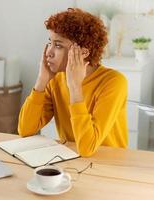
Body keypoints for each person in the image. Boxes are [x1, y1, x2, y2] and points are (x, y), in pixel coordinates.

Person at [18, 8, 128, 157]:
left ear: (83, 52)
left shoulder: (114, 83)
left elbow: (87, 148)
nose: (48, 52)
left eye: (58, 45)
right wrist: (41, 80)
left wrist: (75, 87)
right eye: (50, 42)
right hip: (71, 161)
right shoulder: (56, 79)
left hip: (110, 164)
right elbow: (25, 130)